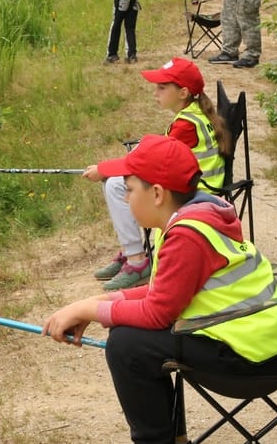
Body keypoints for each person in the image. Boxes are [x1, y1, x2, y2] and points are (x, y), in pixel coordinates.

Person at [42, 133, 277, 444]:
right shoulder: (194, 217)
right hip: (254, 345)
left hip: (247, 361)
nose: (125, 198)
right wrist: (96, 303)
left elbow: (158, 312)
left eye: (129, 189)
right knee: (134, 335)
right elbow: (166, 291)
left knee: (128, 344)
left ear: (157, 194)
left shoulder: (188, 235)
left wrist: (91, 310)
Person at [87, 58, 229, 290]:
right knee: (116, 181)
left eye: (162, 88)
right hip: (193, 184)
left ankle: (137, 262)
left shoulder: (186, 125)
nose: (155, 93)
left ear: (183, 92)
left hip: (197, 192)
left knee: (115, 184)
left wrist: (103, 168)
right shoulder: (192, 114)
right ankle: (129, 250)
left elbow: (152, 160)